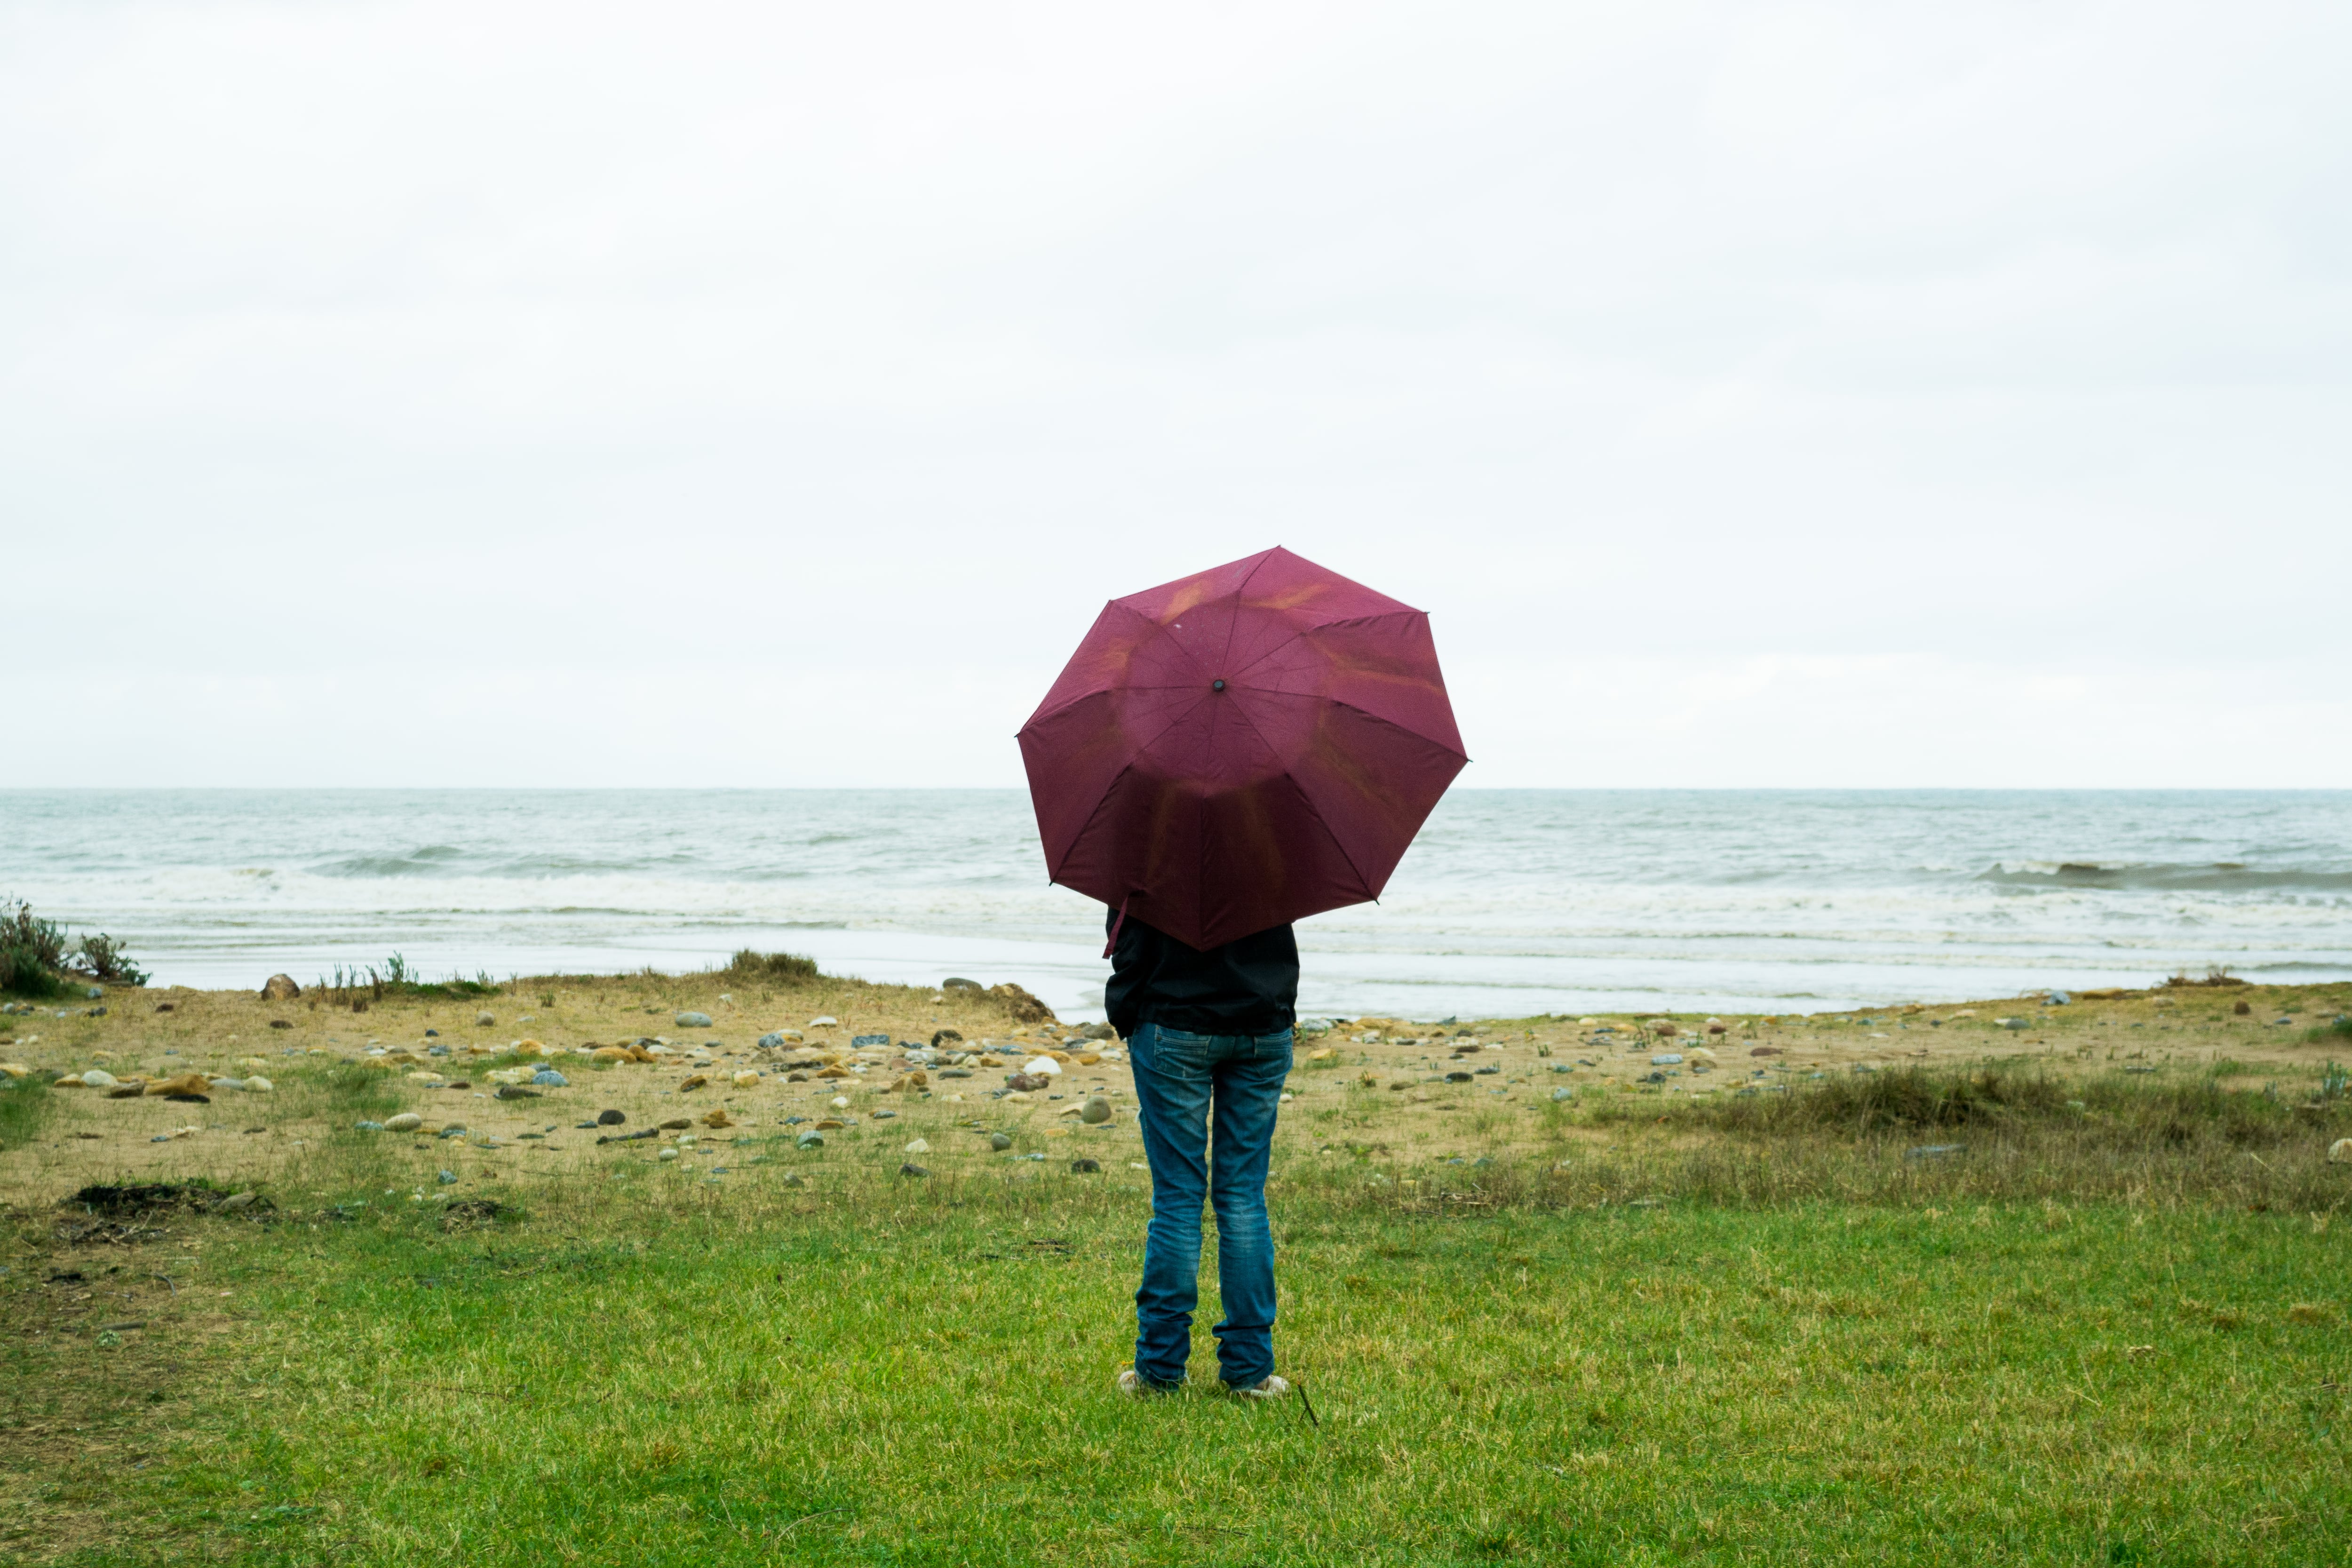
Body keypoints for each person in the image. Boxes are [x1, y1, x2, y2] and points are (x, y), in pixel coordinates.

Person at [1104, 904, 1297, 1399]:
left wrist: (1128, 1009)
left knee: (1177, 1199)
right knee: (1241, 1199)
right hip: (1261, 1021)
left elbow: (1125, 942)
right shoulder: (1275, 833)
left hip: (1172, 1022)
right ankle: (1250, 1372)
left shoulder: (1149, 837)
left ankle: (1160, 1370)